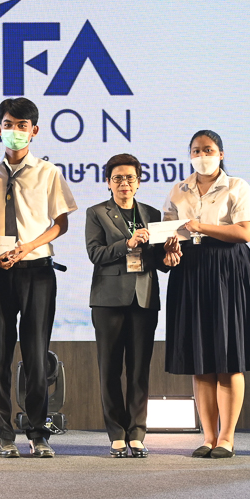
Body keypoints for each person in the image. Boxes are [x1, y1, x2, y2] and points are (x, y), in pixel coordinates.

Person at [0, 97, 77, 459]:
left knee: (35, 356)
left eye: (21, 125)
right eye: (8, 125)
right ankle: (3, 432)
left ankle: (37, 431)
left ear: (34, 131)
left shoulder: (49, 172)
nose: (14, 131)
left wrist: (28, 245)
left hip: (37, 271)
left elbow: (61, 223)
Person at [162, 129, 250, 459]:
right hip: (191, 272)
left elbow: (246, 232)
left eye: (208, 150)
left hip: (228, 270)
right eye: (196, 150)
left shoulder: (237, 186)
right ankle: (208, 437)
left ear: (221, 154)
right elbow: (169, 230)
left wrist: (200, 226)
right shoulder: (178, 190)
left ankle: (227, 437)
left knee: (229, 357)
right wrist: (170, 248)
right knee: (201, 359)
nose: (202, 155)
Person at [84, 153, 181, 458]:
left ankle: (137, 433)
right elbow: (95, 254)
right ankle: (116, 433)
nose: (124, 183)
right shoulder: (96, 212)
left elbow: (157, 260)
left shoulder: (151, 213)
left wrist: (168, 258)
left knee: (139, 369)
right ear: (108, 182)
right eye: (117, 178)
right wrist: (127, 243)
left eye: (129, 178)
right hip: (108, 299)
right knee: (110, 368)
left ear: (138, 182)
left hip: (144, 297)